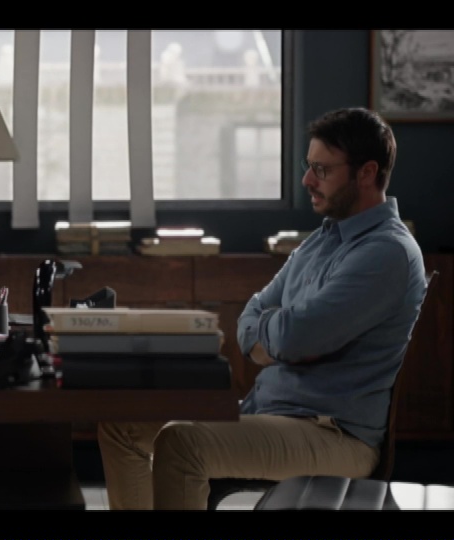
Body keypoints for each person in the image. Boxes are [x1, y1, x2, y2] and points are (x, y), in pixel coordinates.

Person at [97, 107, 429, 510]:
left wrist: (280, 337)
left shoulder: (386, 252)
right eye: (309, 166)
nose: (307, 180)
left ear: (367, 172)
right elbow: (251, 317)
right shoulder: (322, 240)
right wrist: (282, 336)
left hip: (334, 434)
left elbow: (294, 337)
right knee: (122, 426)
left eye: (322, 170)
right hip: (271, 413)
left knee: (182, 442)